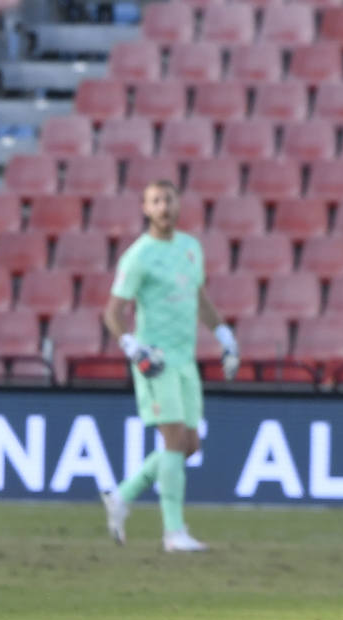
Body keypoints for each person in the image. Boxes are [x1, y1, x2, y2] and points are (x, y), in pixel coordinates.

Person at [99, 179, 238, 552]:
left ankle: (122, 495)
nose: (163, 207)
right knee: (174, 439)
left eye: (169, 200)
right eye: (156, 201)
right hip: (154, 360)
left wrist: (224, 334)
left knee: (189, 445)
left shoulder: (191, 249)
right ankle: (173, 533)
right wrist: (130, 345)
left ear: (178, 205)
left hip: (185, 359)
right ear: (145, 208)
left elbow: (200, 298)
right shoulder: (138, 256)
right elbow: (113, 311)